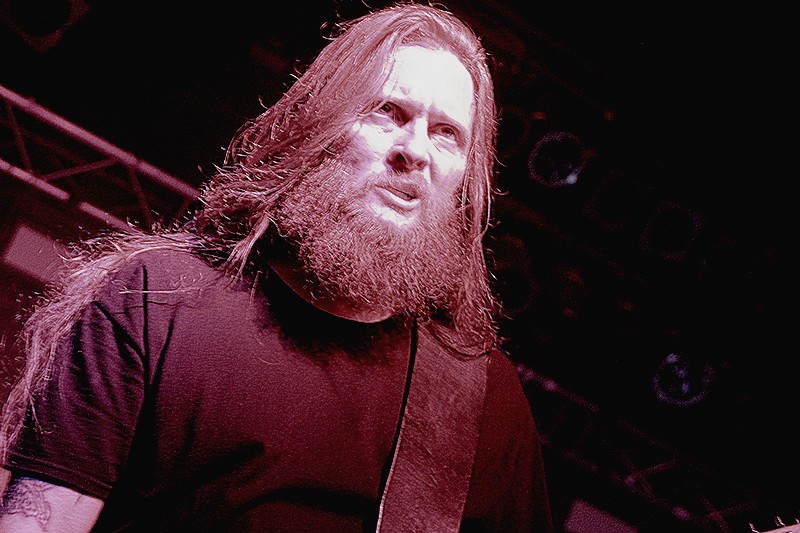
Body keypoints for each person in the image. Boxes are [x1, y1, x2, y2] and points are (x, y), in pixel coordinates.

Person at [0, 2, 554, 531]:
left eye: (446, 133)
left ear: (464, 184)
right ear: (319, 126)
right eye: (388, 112)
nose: (415, 150)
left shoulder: (485, 401)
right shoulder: (155, 301)